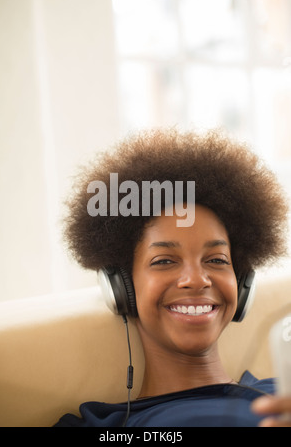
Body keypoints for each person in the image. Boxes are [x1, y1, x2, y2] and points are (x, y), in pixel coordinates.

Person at [55, 128, 291, 427]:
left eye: (217, 260)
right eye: (164, 260)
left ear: (242, 283)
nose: (196, 279)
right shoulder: (103, 425)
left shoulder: (281, 394)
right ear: (122, 287)